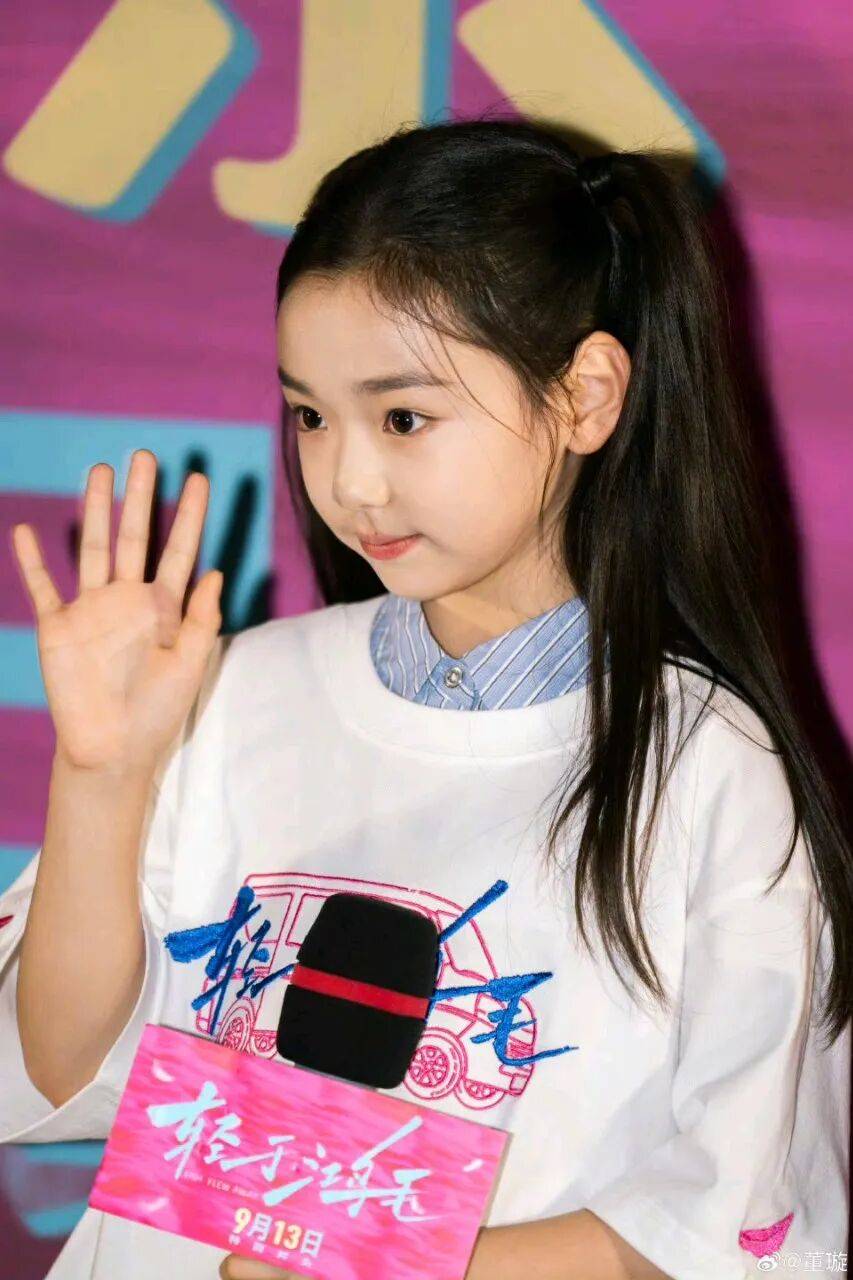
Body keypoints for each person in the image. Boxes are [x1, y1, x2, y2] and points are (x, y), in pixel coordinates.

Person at [2, 117, 850, 1280]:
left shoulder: (706, 763)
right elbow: (58, 1067)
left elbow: (731, 1218)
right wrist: (100, 777)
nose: (350, 478)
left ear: (586, 395)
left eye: (403, 416)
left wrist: (372, 1265)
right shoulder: (234, 687)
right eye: (311, 414)